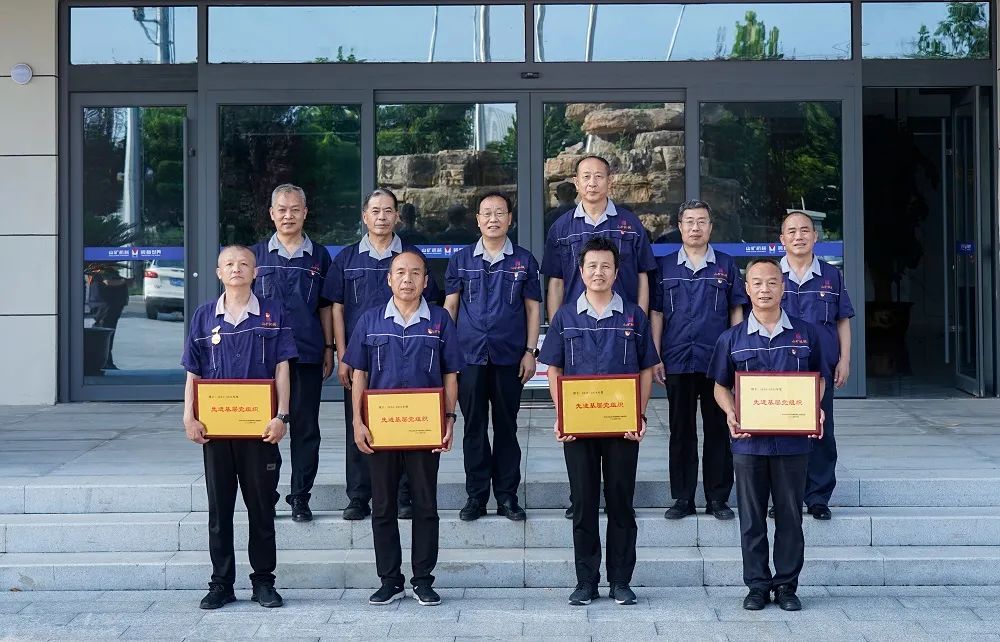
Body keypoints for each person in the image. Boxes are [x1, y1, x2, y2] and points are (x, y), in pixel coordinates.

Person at [539, 237, 658, 607]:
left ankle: (620, 581)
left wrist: (639, 415)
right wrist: (562, 415)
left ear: (616, 272)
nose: (599, 272)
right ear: (581, 271)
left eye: (606, 266)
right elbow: (554, 369)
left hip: (622, 427)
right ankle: (586, 582)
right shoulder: (565, 317)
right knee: (584, 503)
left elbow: (646, 370)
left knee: (621, 503)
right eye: (592, 266)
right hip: (579, 428)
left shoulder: (634, 317)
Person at [343, 250, 463, 607]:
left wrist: (449, 419)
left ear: (426, 281)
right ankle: (390, 580)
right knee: (382, 505)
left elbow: (450, 374)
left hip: (425, 429)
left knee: (425, 504)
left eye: (415, 273)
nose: (407, 279)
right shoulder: (370, 320)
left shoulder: (440, 320)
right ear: (389, 279)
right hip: (382, 430)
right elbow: (359, 374)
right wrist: (357, 421)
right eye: (400, 273)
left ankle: (423, 579)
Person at [708, 257, 829, 612]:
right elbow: (720, 386)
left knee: (790, 516)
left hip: (793, 442)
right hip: (749, 444)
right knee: (752, 517)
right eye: (757, 283)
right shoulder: (731, 338)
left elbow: (819, 378)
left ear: (783, 287)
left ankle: (787, 586)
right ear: (747, 289)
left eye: (772, 282)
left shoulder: (806, 334)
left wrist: (814, 406)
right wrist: (730, 412)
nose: (765, 289)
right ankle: (758, 586)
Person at [181, 245, 297, 610]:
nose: (237, 269)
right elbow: (193, 371)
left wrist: (282, 416)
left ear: (255, 272)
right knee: (220, 510)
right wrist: (189, 416)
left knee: (261, 508)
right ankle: (221, 583)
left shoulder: (273, 313)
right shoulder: (204, 316)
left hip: (260, 430)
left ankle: (263, 582)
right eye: (229, 264)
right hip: (216, 431)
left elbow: (282, 367)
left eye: (244, 264)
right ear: (219, 273)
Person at [542, 155, 657, 519]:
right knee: (580, 419)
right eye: (585, 177)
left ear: (610, 181)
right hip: (576, 332)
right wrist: (558, 327)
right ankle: (581, 498)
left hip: (621, 330)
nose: (592, 182)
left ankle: (618, 500)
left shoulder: (629, 224)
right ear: (576, 182)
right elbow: (556, 281)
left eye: (599, 176)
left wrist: (638, 319)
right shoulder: (561, 226)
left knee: (618, 419)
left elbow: (642, 275)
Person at [327, 188, 441, 521]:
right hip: (363, 359)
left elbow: (431, 303)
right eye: (375, 211)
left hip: (407, 355)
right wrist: (343, 355)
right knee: (359, 424)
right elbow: (336, 308)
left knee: (405, 423)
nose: (381, 217)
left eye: (388, 211)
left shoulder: (411, 257)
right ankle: (359, 496)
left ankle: (404, 495)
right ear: (365, 216)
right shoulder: (347, 258)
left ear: (397, 217)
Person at [443, 192, 541, 522]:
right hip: (468, 357)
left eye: (500, 213)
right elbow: (451, 307)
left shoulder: (524, 260)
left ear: (510, 219)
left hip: (509, 356)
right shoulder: (461, 260)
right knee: (474, 427)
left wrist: (530, 352)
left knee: (506, 427)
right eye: (487, 213)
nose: (493, 219)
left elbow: (533, 309)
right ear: (477, 220)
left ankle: (507, 496)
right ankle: (476, 497)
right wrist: (447, 356)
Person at [650, 200, 745, 521]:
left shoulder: (726, 265)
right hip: (677, 358)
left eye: (702, 221)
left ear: (710, 227)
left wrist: (735, 354)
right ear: (679, 226)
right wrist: (656, 355)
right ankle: (683, 498)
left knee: (719, 429)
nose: (695, 227)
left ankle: (718, 498)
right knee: (681, 431)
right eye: (689, 221)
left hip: (716, 361)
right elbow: (657, 313)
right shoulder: (665, 267)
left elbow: (735, 310)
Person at [250, 184, 334, 523]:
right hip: (262, 358)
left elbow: (326, 307)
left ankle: (300, 496)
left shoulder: (320, 256)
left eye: (295, 209)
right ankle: (266, 497)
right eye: (282, 209)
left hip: (307, 353)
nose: (288, 215)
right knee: (264, 430)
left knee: (305, 429)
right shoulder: (255, 256)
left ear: (305, 213)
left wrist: (329, 348)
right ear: (272, 214)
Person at [778, 211, 854, 521]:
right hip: (779, 367)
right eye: (792, 231)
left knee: (821, 431)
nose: (799, 236)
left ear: (815, 236)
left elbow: (842, 319)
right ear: (782, 239)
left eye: (804, 230)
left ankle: (818, 497)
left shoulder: (831, 275)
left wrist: (845, 359)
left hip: (820, 367)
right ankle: (784, 498)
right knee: (781, 433)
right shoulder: (772, 275)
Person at [88, 264, 130, 370]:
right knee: (104, 333)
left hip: (110, 305)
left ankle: (106, 360)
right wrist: (124, 281)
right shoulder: (100, 269)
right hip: (105, 305)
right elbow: (108, 282)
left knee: (107, 333)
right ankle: (103, 361)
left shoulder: (106, 269)